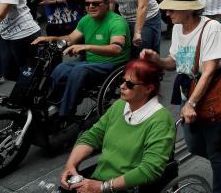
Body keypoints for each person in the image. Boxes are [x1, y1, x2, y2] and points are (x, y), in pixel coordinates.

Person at [140, 0, 221, 193]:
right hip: (187, 93)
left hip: (211, 97)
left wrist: (191, 103)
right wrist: (157, 59)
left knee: (217, 152)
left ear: (190, 8)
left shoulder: (211, 28)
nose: (167, 13)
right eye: (167, 8)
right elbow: (175, 61)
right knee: (193, 145)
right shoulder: (177, 27)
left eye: (172, 8)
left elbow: (209, 71)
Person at [59, 59, 175, 192]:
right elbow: (92, 136)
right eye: (122, 80)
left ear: (148, 88)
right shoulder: (119, 105)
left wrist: (103, 187)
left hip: (126, 187)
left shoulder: (161, 120)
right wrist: (70, 165)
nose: (122, 86)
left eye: (130, 84)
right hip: (99, 179)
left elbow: (149, 170)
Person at [34, 0, 129, 119]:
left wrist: (87, 47)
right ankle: (51, 105)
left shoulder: (116, 22)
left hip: (111, 64)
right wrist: (50, 38)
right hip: (90, 62)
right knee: (60, 68)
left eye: (95, 3)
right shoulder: (86, 20)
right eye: (87, 3)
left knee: (78, 71)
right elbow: (71, 39)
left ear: (107, 4)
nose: (90, 6)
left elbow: (116, 49)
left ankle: (65, 113)